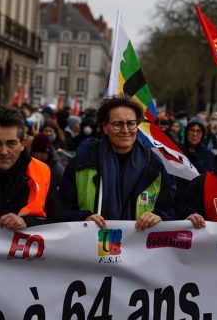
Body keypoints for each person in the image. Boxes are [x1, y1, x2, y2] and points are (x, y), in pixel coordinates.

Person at [58, 96, 176, 231]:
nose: (125, 130)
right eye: (118, 124)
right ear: (105, 127)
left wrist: (159, 216)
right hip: (89, 247)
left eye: (131, 123)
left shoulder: (154, 166)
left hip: (137, 249)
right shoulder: (82, 162)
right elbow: (61, 209)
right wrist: (83, 218)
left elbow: (170, 210)